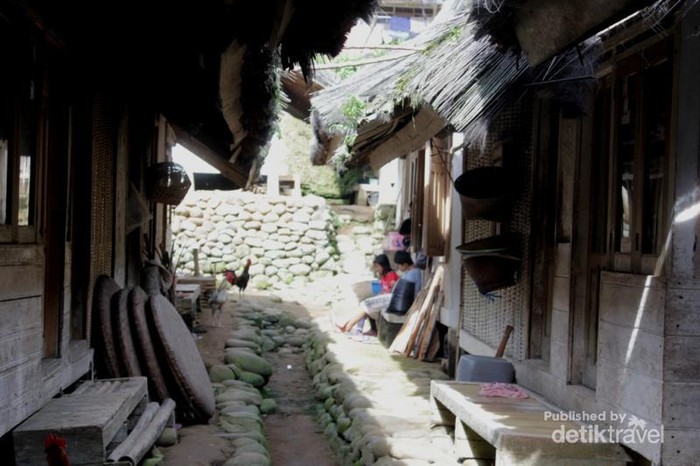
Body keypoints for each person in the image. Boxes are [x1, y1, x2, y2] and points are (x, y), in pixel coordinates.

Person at [337, 251, 421, 334]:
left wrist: (394, 285)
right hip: (395, 299)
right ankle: (346, 325)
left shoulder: (412, 273)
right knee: (365, 304)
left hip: (397, 301)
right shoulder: (411, 272)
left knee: (366, 305)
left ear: (405, 264)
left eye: (399, 265)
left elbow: (402, 291)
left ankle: (346, 327)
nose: (398, 268)